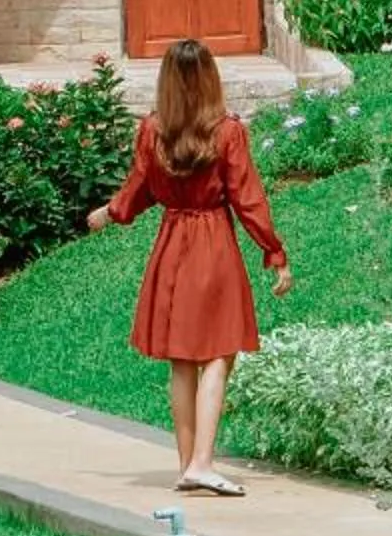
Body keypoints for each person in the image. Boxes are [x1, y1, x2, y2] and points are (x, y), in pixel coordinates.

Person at [87, 37, 291, 496]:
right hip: (212, 242)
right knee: (218, 353)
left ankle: (187, 465)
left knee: (182, 360)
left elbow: (138, 188)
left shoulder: (151, 130)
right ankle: (201, 462)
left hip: (172, 242)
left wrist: (111, 212)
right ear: (209, 79)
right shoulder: (227, 132)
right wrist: (273, 251)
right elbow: (248, 198)